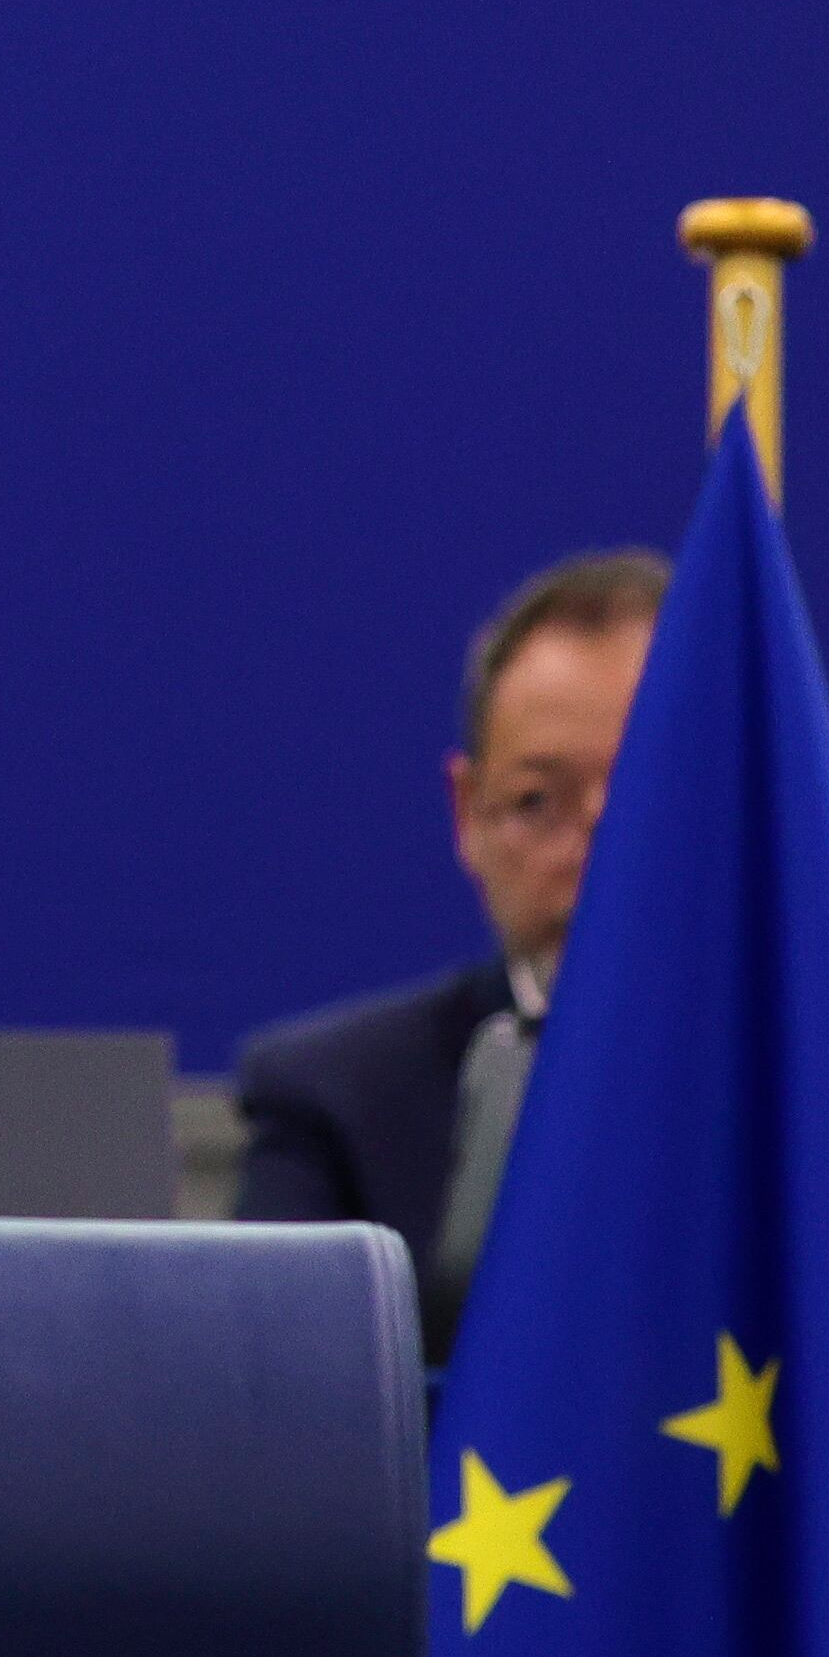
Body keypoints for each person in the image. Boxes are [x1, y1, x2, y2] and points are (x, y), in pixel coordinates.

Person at [233, 547, 667, 1352]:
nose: (598, 851)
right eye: (538, 801)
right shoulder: (338, 1102)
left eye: (653, 791)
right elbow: (263, 1409)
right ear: (469, 811)